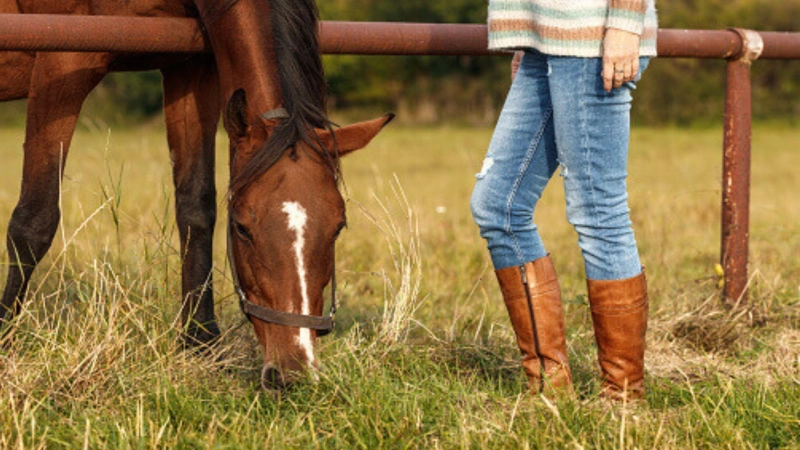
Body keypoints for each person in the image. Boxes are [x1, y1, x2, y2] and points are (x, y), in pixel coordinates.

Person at [471, 0, 657, 401]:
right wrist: (527, 34)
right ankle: (549, 390)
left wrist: (625, 22)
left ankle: (622, 400)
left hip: (590, 37)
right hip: (546, 40)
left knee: (598, 212)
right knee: (497, 206)